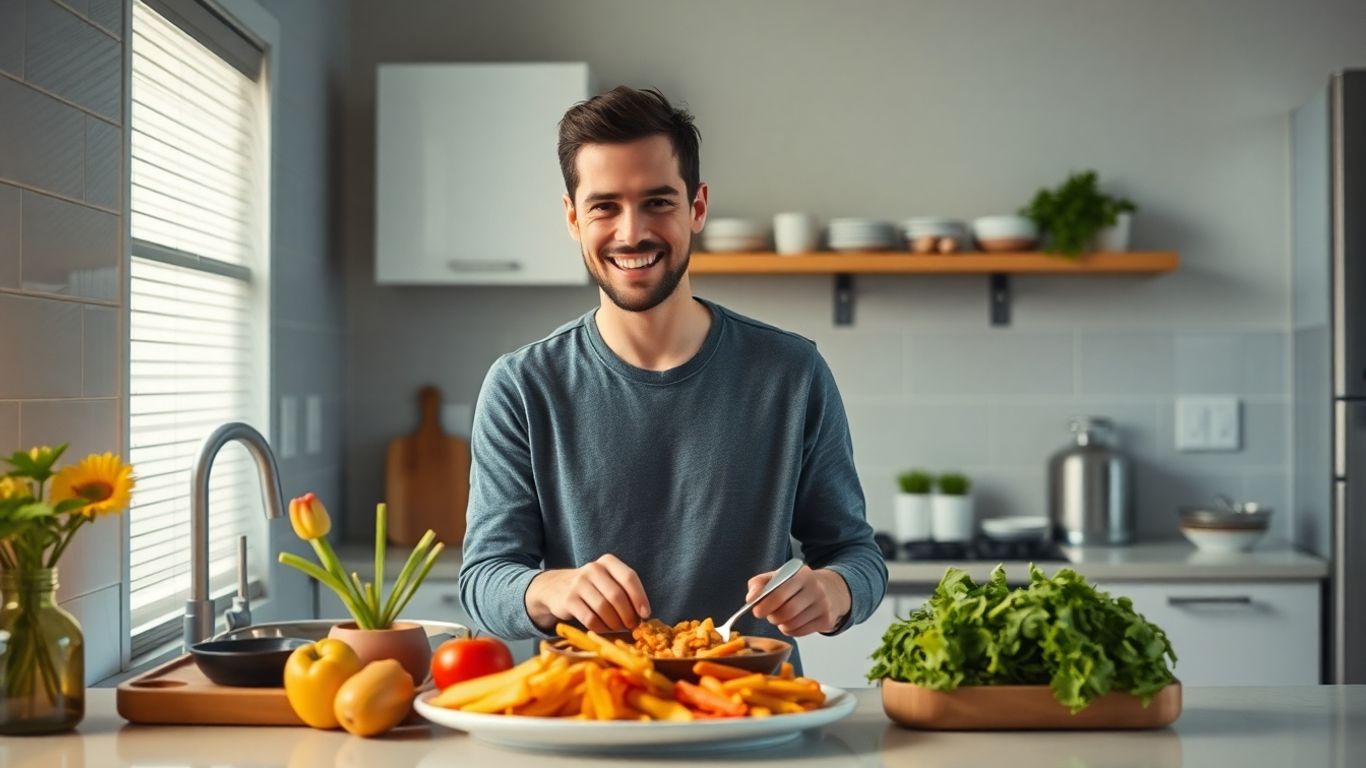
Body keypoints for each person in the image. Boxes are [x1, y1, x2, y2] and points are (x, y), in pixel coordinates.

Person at [458, 86, 887, 666]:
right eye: (604, 206)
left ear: (698, 207)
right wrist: (548, 588)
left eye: (658, 201)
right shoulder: (521, 386)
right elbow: (483, 579)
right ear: (571, 218)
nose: (631, 232)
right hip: (592, 719)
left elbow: (856, 555)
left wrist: (835, 592)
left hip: (751, 716)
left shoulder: (792, 372)